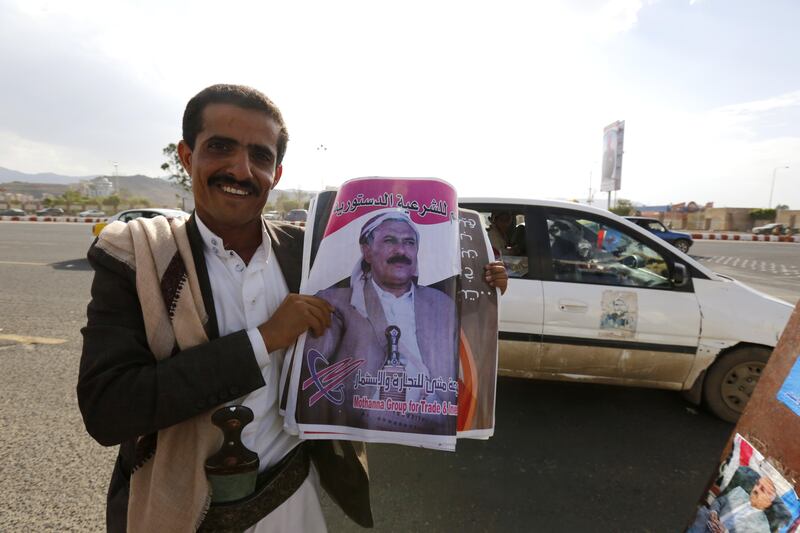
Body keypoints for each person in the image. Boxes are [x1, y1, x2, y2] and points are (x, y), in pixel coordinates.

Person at [78, 84, 371, 532]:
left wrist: (476, 289)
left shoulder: (308, 254)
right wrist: (264, 340)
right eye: (220, 147)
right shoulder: (140, 258)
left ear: (276, 172)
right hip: (178, 509)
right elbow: (109, 409)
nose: (241, 169)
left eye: (260, 156)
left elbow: (385, 313)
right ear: (187, 155)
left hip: (289, 499)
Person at [299, 211, 507, 433]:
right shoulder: (335, 302)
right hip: (361, 423)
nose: (401, 251)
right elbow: (312, 381)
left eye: (409, 242)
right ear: (367, 251)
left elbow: (472, 344)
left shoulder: (440, 304)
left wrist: (490, 289)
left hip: (434, 424)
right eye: (389, 241)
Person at [689, 469, 790, 533]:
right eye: (757, 484)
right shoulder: (739, 492)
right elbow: (718, 502)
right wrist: (714, 513)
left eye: (762, 489)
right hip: (703, 526)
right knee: (701, 513)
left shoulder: (763, 528)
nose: (755, 489)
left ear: (768, 502)